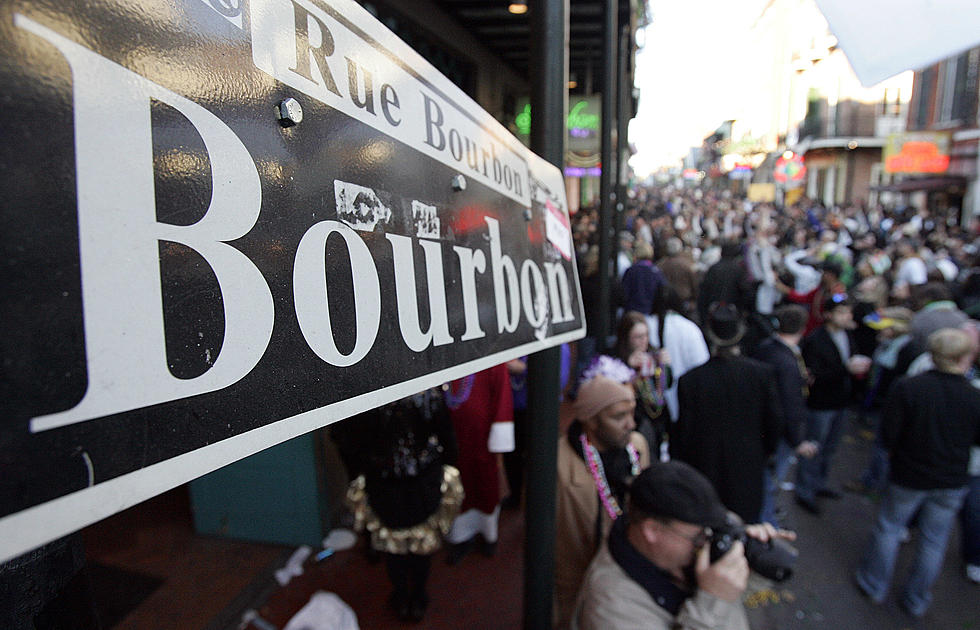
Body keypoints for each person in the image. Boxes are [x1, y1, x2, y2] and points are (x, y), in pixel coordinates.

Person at [575, 461, 795, 630]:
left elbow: (734, 597)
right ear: (653, 530)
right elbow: (720, 602)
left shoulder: (681, 546)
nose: (706, 543)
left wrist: (753, 557)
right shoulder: (610, 605)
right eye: (698, 536)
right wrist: (712, 602)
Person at [855, 328, 980, 617]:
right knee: (934, 540)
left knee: (890, 527)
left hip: (909, 474)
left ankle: (874, 584)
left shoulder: (909, 387)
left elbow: (889, 433)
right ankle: (915, 600)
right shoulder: (973, 397)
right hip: (951, 478)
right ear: (964, 358)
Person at [342, 389, 464, 622]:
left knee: (395, 547)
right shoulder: (425, 391)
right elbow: (447, 439)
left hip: (392, 483)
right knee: (415, 546)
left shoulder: (367, 394)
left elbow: (351, 443)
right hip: (412, 483)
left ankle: (406, 596)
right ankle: (414, 596)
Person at [554, 370, 650, 629]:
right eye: (619, 417)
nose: (631, 424)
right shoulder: (557, 467)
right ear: (591, 421)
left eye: (631, 413)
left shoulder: (637, 446)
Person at [672, 303, 783, 523]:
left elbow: (683, 433)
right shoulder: (761, 375)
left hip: (705, 469)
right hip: (747, 467)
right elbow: (774, 423)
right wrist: (764, 451)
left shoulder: (691, 380)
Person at [794, 294, 868, 515]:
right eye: (841, 312)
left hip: (841, 402)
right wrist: (847, 369)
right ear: (828, 315)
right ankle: (805, 490)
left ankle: (819, 483)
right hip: (821, 404)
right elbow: (813, 375)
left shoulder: (847, 335)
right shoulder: (816, 340)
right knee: (814, 447)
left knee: (830, 447)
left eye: (848, 312)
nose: (847, 316)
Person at [751, 304, 819, 525]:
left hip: (762, 425)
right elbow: (790, 403)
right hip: (778, 432)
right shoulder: (787, 362)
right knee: (770, 481)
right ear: (802, 328)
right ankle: (767, 523)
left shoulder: (766, 348)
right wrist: (797, 440)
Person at [444, 364, 514, 563]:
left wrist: (499, 440)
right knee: (456, 488)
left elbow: (502, 398)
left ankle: (488, 535)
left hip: (483, 442)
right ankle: (460, 537)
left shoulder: (494, 359)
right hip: (452, 441)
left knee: (485, 486)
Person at [614, 311, 673, 457]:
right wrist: (629, 370)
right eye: (638, 337)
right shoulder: (616, 359)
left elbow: (667, 386)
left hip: (656, 420)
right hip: (634, 420)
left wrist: (665, 368)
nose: (644, 341)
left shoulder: (653, 354)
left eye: (646, 335)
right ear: (626, 338)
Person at [621, 240, 664, 316]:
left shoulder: (631, 271)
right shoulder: (655, 271)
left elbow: (624, 292)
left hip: (632, 312)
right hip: (650, 312)